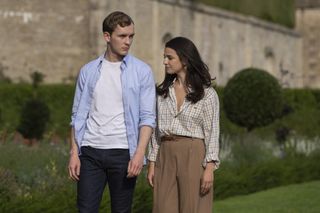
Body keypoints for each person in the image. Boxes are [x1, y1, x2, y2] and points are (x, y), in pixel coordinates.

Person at [68, 11, 156, 213]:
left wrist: (139, 154)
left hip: (123, 153)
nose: (128, 41)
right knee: (85, 210)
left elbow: (147, 118)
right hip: (90, 152)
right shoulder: (88, 71)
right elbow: (77, 117)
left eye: (131, 36)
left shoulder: (142, 71)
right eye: (122, 36)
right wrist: (74, 153)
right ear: (107, 36)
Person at [147, 37, 220, 213]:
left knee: (192, 208)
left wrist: (209, 168)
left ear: (185, 60)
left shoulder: (207, 94)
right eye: (164, 57)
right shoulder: (162, 92)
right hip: (165, 154)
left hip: (193, 153)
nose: (165, 62)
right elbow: (156, 131)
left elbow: (212, 132)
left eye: (170, 57)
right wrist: (151, 164)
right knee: (162, 207)